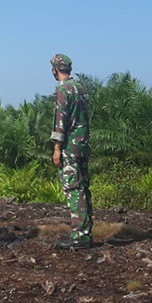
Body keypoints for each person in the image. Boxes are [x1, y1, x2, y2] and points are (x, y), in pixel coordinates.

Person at [50, 53, 94, 249]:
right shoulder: (81, 88)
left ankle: (81, 235)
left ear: (55, 70)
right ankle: (85, 231)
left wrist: (57, 148)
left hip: (70, 147)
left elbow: (60, 121)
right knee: (83, 188)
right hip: (83, 144)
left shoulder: (63, 90)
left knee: (74, 189)